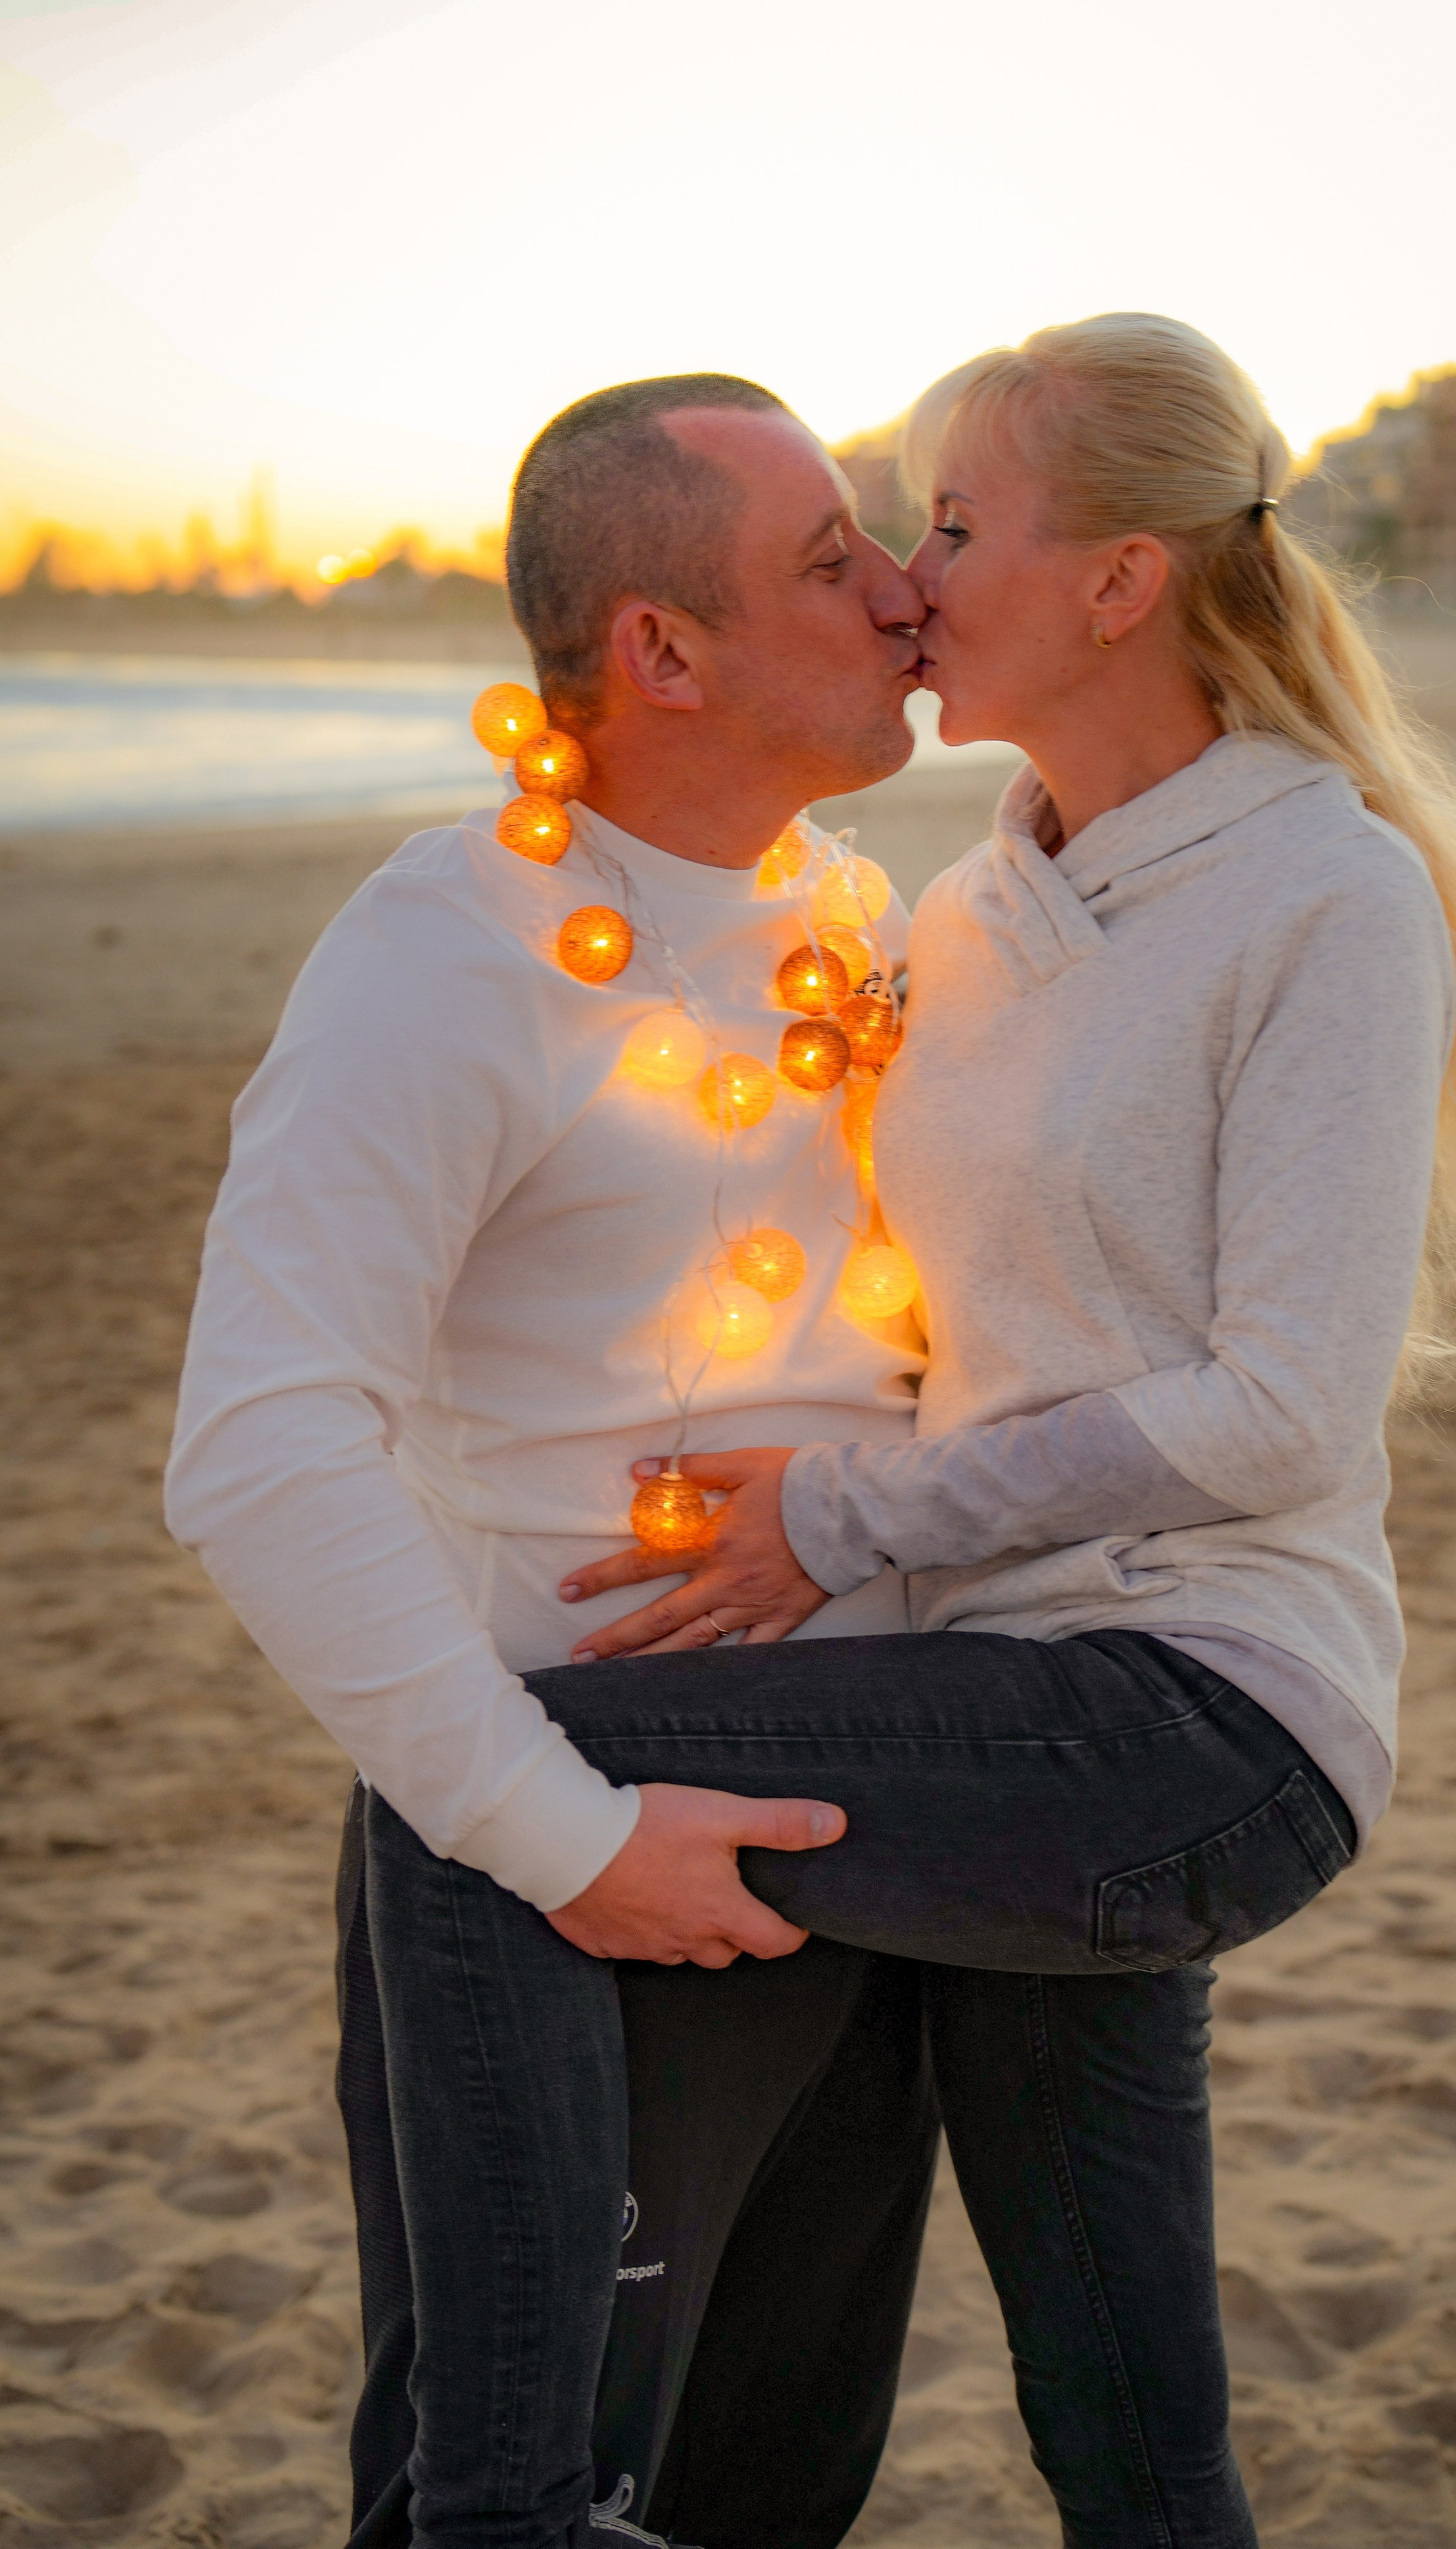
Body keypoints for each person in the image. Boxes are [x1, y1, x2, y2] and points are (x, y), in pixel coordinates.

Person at [397, 313, 1456, 2548]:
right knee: (1130, 2425)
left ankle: (494, 2519)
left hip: (1192, 1710)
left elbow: (1281, 1407)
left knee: (498, 1773)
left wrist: (840, 1519)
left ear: (1121, 581)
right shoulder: (957, 909)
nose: (911, 580)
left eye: (948, 527)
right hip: (983, 1702)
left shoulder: (1327, 895)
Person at [166, 375, 949, 2548]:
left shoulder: (868, 920)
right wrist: (557, 1835)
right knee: (509, 2490)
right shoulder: (453, 950)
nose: (899, 596)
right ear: (661, 650)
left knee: (783, 2473)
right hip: (560, 1863)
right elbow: (256, 1442)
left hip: (870, 1825)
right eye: (828, 561)